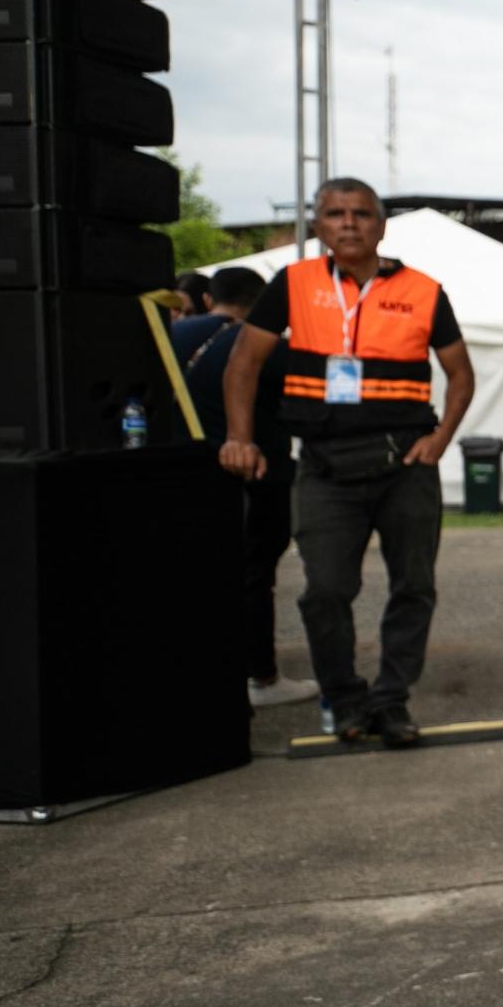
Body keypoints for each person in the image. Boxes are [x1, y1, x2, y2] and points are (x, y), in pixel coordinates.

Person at [219, 178, 474, 749]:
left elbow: (461, 373)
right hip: (326, 469)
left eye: (362, 213)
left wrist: (440, 440)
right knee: (325, 592)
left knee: (414, 586)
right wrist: (241, 436)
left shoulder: (423, 290)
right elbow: (243, 362)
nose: (350, 222)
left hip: (404, 463)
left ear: (381, 224)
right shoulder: (293, 284)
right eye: (335, 213)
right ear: (318, 225)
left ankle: (391, 701)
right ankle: (345, 697)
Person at [178, 266, 317, 709]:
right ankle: (261, 675)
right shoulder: (269, 346)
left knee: (200, 575)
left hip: (187, 471)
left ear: (207, 299)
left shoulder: (175, 335)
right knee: (256, 575)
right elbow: (299, 406)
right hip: (261, 472)